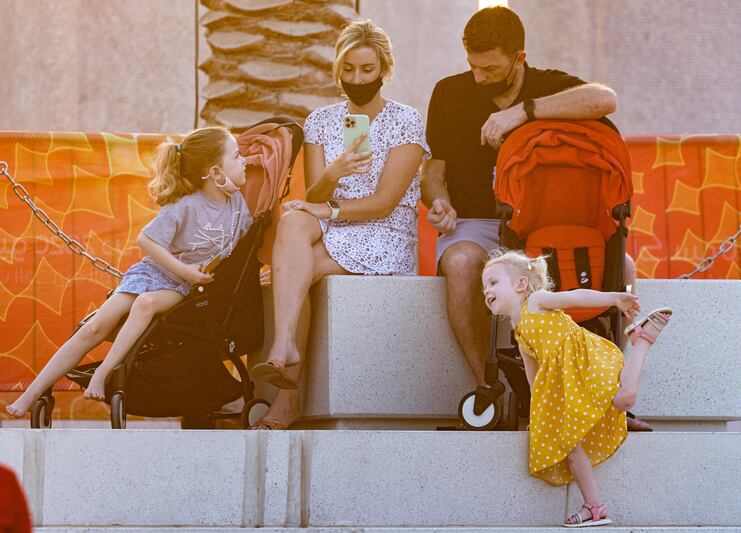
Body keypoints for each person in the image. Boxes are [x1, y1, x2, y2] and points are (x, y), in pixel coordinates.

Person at [421, 6, 648, 431]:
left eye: (489, 68)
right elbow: (434, 171)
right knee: (460, 262)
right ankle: (490, 389)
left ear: (519, 57)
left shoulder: (549, 86)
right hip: (477, 222)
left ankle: (605, 395)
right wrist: (438, 202)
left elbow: (605, 99)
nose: (478, 77)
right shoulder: (449, 93)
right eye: (472, 65)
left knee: (625, 268)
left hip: (541, 225)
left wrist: (523, 112)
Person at [247, 19, 430, 429]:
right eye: (348, 70)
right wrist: (333, 172)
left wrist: (330, 210)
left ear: (384, 69)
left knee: (296, 268)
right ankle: (284, 344)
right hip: (334, 226)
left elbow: (384, 203)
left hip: (385, 233)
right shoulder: (320, 121)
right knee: (293, 222)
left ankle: (286, 396)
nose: (357, 79)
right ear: (337, 70)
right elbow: (314, 196)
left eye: (367, 69)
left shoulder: (406, 120)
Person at [5, 126, 251, 416]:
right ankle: (30, 394)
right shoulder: (185, 206)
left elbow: (243, 249)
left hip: (186, 289)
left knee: (145, 303)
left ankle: (105, 372)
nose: (244, 160)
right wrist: (183, 268)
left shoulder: (237, 206)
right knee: (94, 326)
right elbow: (146, 240)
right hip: (157, 274)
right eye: (236, 156)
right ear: (215, 173)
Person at [481, 250, 672, 527]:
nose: (486, 290)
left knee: (625, 399)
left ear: (520, 285)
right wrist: (541, 417)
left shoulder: (535, 301)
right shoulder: (519, 331)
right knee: (571, 447)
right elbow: (534, 381)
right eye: (484, 285)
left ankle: (642, 339)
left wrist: (614, 298)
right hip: (563, 385)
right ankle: (594, 507)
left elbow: (575, 296)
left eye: (493, 282)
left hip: (583, 361)